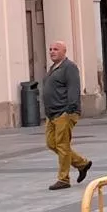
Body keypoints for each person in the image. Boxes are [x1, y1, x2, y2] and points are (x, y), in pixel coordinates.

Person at [41, 40, 91, 191]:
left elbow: (73, 88)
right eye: (50, 49)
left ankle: (63, 179)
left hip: (64, 112)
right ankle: (82, 163)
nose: (52, 52)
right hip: (52, 113)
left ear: (64, 51)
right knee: (51, 143)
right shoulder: (53, 68)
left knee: (62, 145)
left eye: (55, 49)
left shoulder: (69, 67)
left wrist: (69, 110)